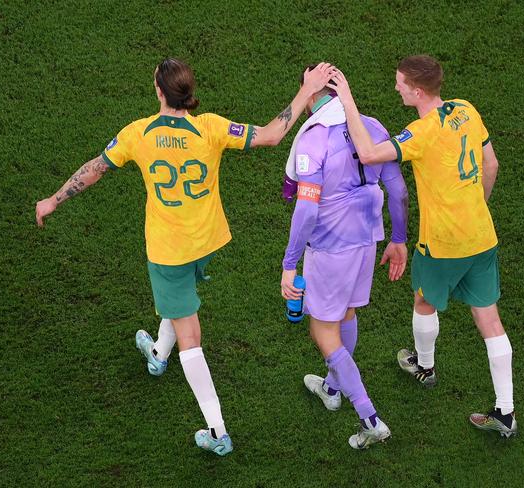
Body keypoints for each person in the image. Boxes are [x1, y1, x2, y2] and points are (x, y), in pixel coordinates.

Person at [35, 58, 336, 456]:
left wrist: (54, 200)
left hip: (169, 251)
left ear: (159, 91)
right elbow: (270, 135)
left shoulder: (138, 134)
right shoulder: (210, 127)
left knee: (190, 336)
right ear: (188, 93)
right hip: (206, 241)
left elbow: (95, 169)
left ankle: (217, 431)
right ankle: (158, 353)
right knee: (177, 306)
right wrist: (305, 90)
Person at [327, 55, 517, 438]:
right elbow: (491, 165)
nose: (395, 87)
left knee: (424, 301)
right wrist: (475, 208)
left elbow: (367, 154)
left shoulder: (421, 132)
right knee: (490, 320)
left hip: (442, 244)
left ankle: (425, 366)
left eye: (399, 83)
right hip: (482, 235)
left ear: (417, 90)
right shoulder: (465, 109)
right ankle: (506, 411)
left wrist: (346, 99)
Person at [280, 66, 409, 449]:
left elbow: (305, 212)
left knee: (322, 330)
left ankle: (369, 417)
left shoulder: (312, 141)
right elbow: (397, 188)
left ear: (309, 99)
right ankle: (332, 387)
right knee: (347, 313)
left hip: (332, 248)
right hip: (367, 240)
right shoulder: (370, 124)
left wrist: (289, 264)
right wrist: (398, 238)